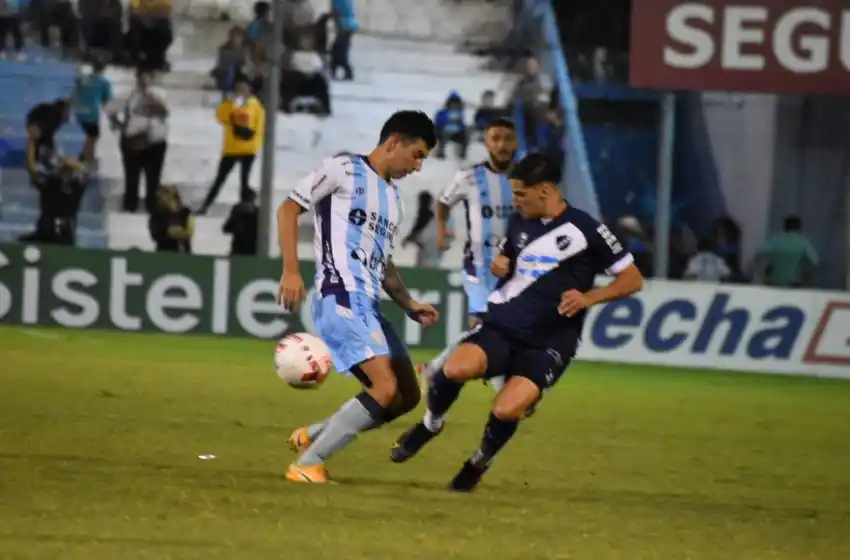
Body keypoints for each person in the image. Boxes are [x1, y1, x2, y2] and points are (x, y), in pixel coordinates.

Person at [390, 153, 644, 492]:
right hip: (503, 324)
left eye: (521, 194)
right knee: (454, 369)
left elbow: (633, 280)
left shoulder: (588, 230)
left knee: (507, 409)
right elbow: (512, 262)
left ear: (546, 191)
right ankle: (430, 425)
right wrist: (502, 266)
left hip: (551, 341)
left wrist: (588, 298)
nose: (515, 201)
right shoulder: (520, 221)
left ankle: (478, 463)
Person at [276, 110, 439, 484]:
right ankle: (307, 462)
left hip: (369, 302)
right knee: (383, 388)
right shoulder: (342, 169)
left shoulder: (394, 200)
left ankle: (317, 433)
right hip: (340, 295)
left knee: (407, 397)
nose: (417, 167)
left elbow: (383, 262)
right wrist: (290, 269)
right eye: (417, 155)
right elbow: (289, 209)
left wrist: (409, 303)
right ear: (393, 142)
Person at [198, 73, 264, 214]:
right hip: (231, 148)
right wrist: (231, 105)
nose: (241, 90)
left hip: (248, 148)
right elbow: (220, 117)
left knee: (244, 181)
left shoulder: (255, 105)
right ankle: (205, 206)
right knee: (220, 178)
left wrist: (254, 143)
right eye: (238, 88)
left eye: (244, 88)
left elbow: (259, 126)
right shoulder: (231, 103)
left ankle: (244, 210)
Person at [73, 58, 114, 166]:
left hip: (79, 110)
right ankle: (86, 158)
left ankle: (85, 154)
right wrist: (113, 119)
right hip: (91, 112)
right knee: (93, 135)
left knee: (90, 134)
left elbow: (74, 92)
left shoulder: (84, 79)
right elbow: (107, 103)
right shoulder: (104, 82)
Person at [402, 191, 453, 268]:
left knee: (424, 264)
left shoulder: (425, 214)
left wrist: (407, 240)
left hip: (427, 248)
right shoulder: (433, 217)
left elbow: (417, 229)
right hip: (431, 248)